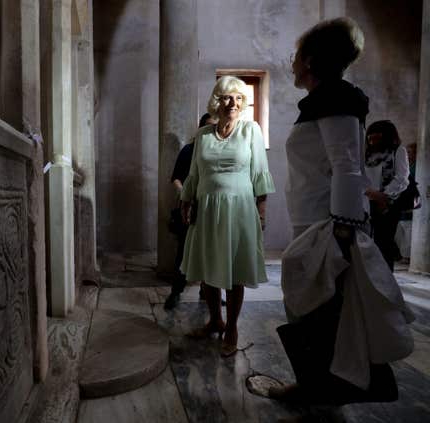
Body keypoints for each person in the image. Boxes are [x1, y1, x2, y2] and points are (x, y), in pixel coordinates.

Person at [271, 17, 413, 406]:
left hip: (328, 224)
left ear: (312, 60)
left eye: (296, 56)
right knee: (309, 308)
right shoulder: (325, 100)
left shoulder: (336, 98)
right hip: (317, 220)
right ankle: (313, 386)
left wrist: (345, 232)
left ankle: (322, 389)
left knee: (315, 309)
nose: (292, 62)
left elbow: (347, 166)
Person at [180, 75, 275, 358]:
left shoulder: (251, 130)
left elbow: (259, 171)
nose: (232, 103)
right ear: (216, 101)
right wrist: (186, 200)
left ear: (243, 103)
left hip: (239, 209)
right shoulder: (203, 136)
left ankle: (231, 327)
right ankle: (215, 320)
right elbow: (195, 173)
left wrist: (261, 211)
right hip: (207, 208)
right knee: (208, 268)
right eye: (226, 97)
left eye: (238, 98)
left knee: (235, 271)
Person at [165, 113, 216, 310]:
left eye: (214, 126)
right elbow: (176, 178)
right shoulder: (190, 150)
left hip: (211, 207)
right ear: (201, 129)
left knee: (211, 251)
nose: (211, 130)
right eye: (208, 126)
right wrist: (185, 195)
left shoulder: (218, 150)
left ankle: (208, 293)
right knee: (184, 252)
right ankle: (176, 292)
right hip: (191, 207)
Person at [365, 120, 409, 271]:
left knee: (384, 242)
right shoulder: (366, 153)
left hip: (388, 203)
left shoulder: (398, 150)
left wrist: (383, 195)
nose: (372, 141)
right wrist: (368, 192)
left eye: (376, 138)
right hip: (366, 200)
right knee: (364, 241)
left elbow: (402, 178)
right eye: (370, 138)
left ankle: (385, 279)